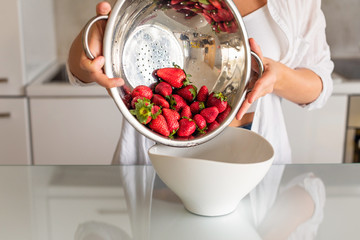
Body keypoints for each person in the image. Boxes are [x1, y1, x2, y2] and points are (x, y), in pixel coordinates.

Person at [67, 0, 334, 165]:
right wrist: (86, 57)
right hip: (159, 152)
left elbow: (320, 84)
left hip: (252, 150)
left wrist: (279, 77)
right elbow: (81, 65)